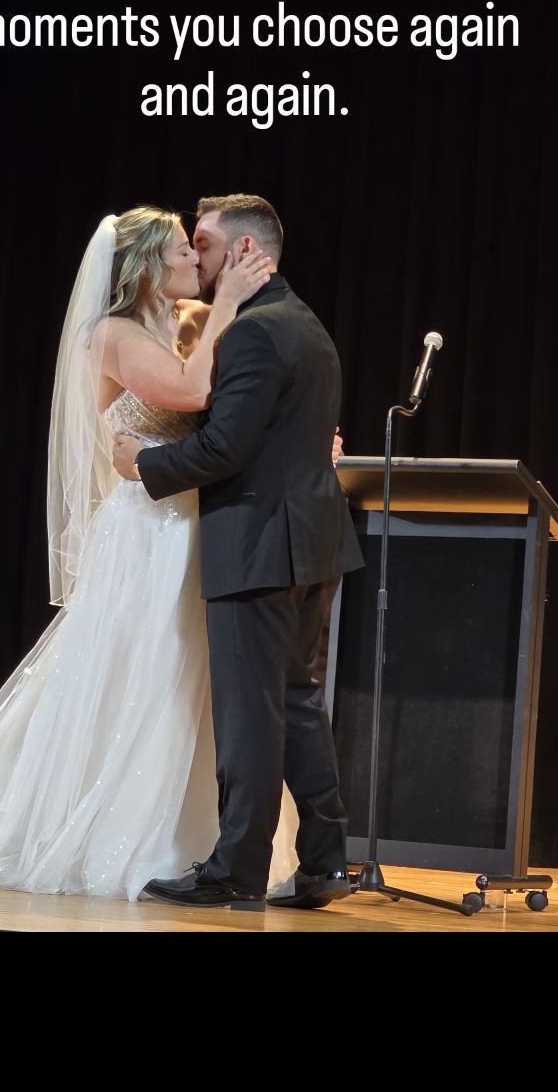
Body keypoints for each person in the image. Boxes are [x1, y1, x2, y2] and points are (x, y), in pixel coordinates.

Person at [0, 209, 299, 899]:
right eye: (182, 251)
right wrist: (226, 301)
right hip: (147, 533)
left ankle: (204, 839)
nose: (198, 260)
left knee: (189, 683)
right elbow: (191, 392)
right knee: (147, 675)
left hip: (186, 524)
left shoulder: (177, 325)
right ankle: (123, 832)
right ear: (145, 267)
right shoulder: (114, 333)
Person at [113, 195, 363, 911]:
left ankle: (236, 871)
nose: (197, 258)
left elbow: (225, 448)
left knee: (252, 716)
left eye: (205, 244)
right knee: (297, 704)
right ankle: (322, 862)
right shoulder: (305, 322)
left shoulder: (255, 331)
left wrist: (143, 462)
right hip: (308, 544)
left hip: (260, 545)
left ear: (247, 252)